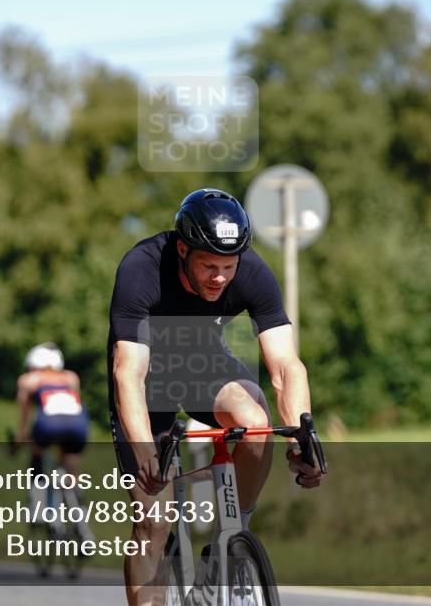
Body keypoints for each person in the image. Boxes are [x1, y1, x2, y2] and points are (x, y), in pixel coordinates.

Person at [108, 188, 324, 606]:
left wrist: (303, 435)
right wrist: (142, 447)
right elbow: (127, 373)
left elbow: (285, 367)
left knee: (254, 420)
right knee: (153, 522)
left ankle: (232, 540)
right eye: (208, 265)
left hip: (200, 363)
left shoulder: (252, 271)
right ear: (182, 249)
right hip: (145, 375)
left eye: (228, 266)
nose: (220, 277)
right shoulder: (142, 268)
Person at [14, 342, 89, 479]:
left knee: (37, 452)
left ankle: (37, 491)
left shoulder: (28, 380)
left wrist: (18, 441)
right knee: (71, 459)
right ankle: (76, 494)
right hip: (78, 426)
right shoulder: (71, 378)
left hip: (46, 426)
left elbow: (24, 423)